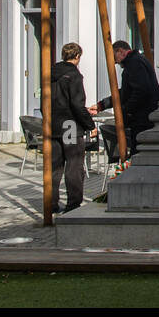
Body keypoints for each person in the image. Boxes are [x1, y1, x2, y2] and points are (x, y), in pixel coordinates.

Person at [90, 40, 159, 158]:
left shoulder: (134, 63)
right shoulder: (136, 62)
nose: (116, 62)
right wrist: (102, 105)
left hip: (142, 119)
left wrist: (126, 110)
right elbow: (126, 92)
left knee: (138, 155)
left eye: (114, 57)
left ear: (120, 51)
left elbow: (140, 91)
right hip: (143, 117)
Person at [49, 42, 95, 215]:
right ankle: (73, 204)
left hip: (53, 125)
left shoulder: (51, 73)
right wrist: (89, 125)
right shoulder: (74, 75)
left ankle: (51, 202)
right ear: (77, 57)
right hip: (70, 125)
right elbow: (76, 103)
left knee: (55, 166)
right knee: (74, 165)